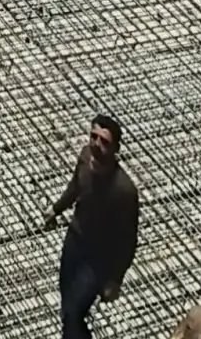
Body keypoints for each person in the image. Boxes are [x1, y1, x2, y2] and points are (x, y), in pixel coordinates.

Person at [46, 114, 139, 339]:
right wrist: (56, 209)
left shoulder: (124, 191)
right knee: (67, 305)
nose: (96, 144)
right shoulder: (85, 157)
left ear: (115, 149)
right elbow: (75, 187)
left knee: (74, 313)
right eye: (93, 136)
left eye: (104, 141)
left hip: (98, 259)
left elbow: (128, 241)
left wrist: (115, 280)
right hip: (74, 242)